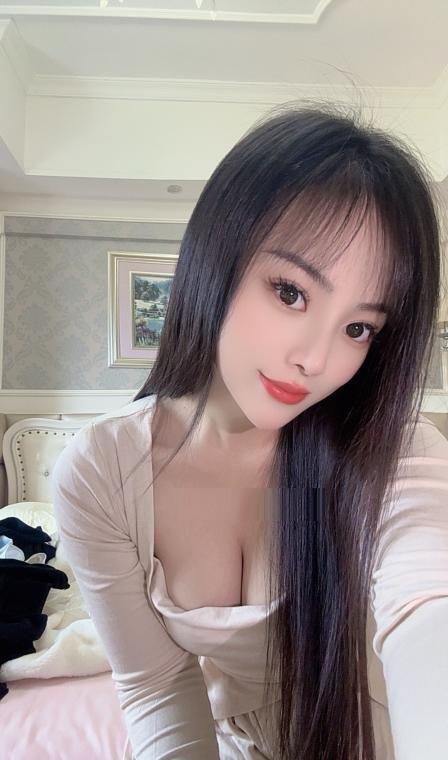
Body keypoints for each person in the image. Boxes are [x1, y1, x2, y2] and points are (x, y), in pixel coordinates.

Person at [52, 102, 448, 760]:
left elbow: (428, 608)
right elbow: (156, 686)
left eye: (358, 328)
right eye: (290, 292)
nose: (315, 359)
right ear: (217, 257)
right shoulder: (103, 472)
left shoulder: (394, 451)